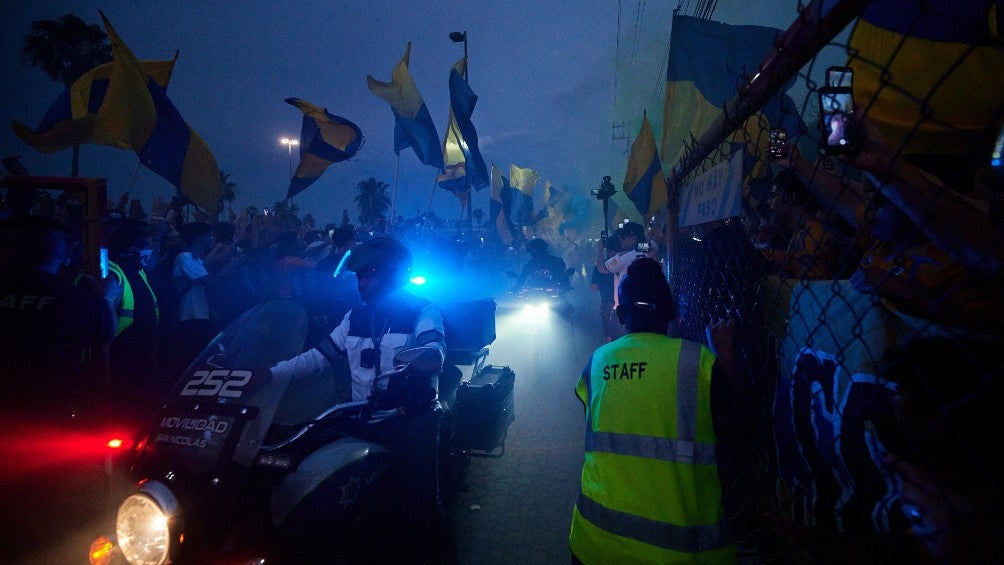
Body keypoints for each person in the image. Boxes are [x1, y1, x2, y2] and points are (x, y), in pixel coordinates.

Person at [270, 236, 457, 564]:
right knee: (344, 499)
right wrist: (270, 374)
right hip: (360, 422)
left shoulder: (422, 310)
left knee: (420, 505)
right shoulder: (354, 317)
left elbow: (434, 348)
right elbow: (318, 357)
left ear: (395, 274)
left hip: (409, 423)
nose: (362, 281)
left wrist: (426, 356)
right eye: (358, 275)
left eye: (369, 273)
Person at [569, 257, 749, 564]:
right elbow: (739, 433)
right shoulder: (699, 362)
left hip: (593, 544)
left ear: (620, 313)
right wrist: (727, 356)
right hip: (683, 555)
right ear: (670, 312)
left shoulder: (597, 362)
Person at [0, 215, 117, 558]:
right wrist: (106, 299)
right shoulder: (79, 301)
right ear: (63, 254)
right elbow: (103, 343)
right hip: (52, 427)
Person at [103, 222, 165, 422]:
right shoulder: (110, 272)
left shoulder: (138, 270)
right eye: (146, 244)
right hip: (121, 358)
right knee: (124, 415)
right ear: (132, 249)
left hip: (144, 357)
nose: (150, 249)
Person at [602, 221, 659, 339]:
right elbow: (651, 245)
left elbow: (603, 268)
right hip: (649, 306)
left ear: (632, 238)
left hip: (626, 309)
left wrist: (599, 249)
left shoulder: (624, 257)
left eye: (622, 238)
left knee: (622, 345)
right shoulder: (646, 248)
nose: (620, 241)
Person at [590, 238, 616, 342]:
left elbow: (594, 288)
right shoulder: (629, 261)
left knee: (609, 333)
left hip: (608, 303)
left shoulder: (600, 266)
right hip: (626, 302)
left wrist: (599, 250)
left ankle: (611, 355)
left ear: (607, 250)